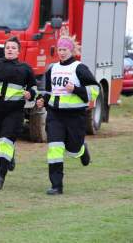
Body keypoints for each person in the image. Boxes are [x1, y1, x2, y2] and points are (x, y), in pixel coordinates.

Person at [36, 35, 99, 195]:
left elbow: (95, 90)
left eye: (64, 49)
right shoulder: (52, 69)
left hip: (75, 116)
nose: (62, 53)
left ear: (71, 50)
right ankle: (56, 185)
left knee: (73, 149)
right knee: (54, 148)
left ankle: (81, 151)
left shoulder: (79, 68)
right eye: (59, 49)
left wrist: (76, 89)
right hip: (55, 115)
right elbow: (49, 92)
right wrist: (43, 100)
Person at [0, 37, 37, 190]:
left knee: (5, 141)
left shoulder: (25, 68)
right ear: (4, 49)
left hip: (15, 112)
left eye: (13, 47)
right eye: (8, 47)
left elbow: (34, 88)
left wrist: (30, 93)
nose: (10, 49)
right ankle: (10, 155)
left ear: (18, 51)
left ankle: (0, 178)